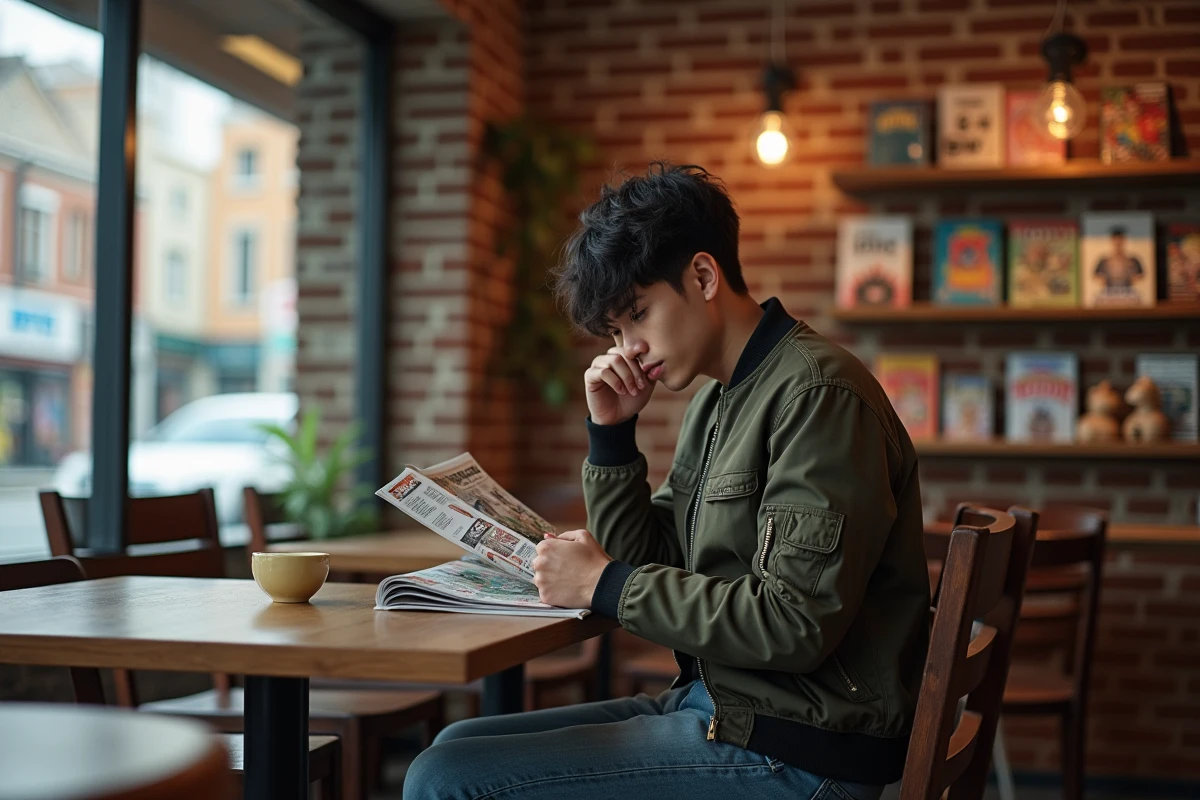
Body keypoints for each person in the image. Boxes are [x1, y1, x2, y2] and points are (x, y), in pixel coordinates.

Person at [403, 163, 931, 800]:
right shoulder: (717, 401)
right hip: (729, 707)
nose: (629, 351)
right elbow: (650, 557)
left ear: (703, 277)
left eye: (638, 315)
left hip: (799, 749)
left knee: (444, 780)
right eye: (617, 332)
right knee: (455, 746)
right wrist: (612, 436)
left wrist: (604, 583)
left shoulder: (817, 395)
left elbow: (794, 623)